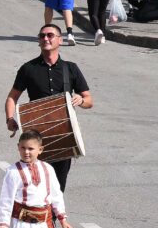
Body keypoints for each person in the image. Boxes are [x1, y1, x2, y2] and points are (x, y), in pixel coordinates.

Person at [5, 23, 94, 193]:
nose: (46, 38)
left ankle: (52, 218)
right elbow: (12, 97)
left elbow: (89, 100)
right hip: (35, 139)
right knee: (35, 187)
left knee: (57, 188)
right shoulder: (28, 69)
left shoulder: (71, 68)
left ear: (60, 40)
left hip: (63, 137)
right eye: (42, 36)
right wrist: (9, 119)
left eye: (50, 35)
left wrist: (80, 100)